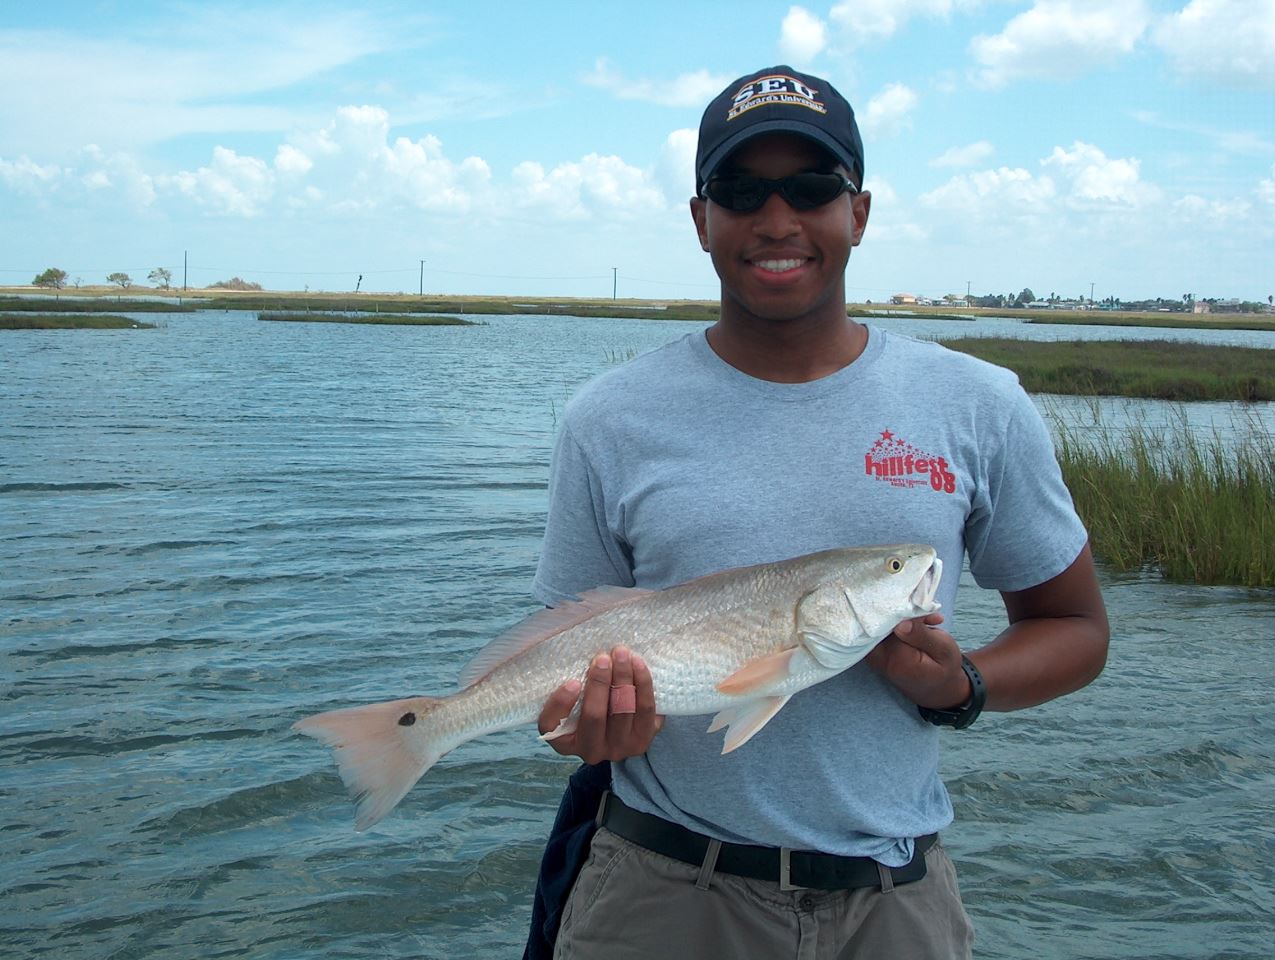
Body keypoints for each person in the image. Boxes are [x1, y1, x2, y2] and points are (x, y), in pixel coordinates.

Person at [523, 65, 1109, 960]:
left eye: (810, 188)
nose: (776, 220)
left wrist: (962, 687)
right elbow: (561, 684)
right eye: (739, 190)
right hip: (661, 893)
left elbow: (1075, 627)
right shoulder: (606, 418)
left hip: (893, 899)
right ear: (700, 220)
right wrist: (589, 731)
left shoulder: (980, 403)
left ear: (858, 214)